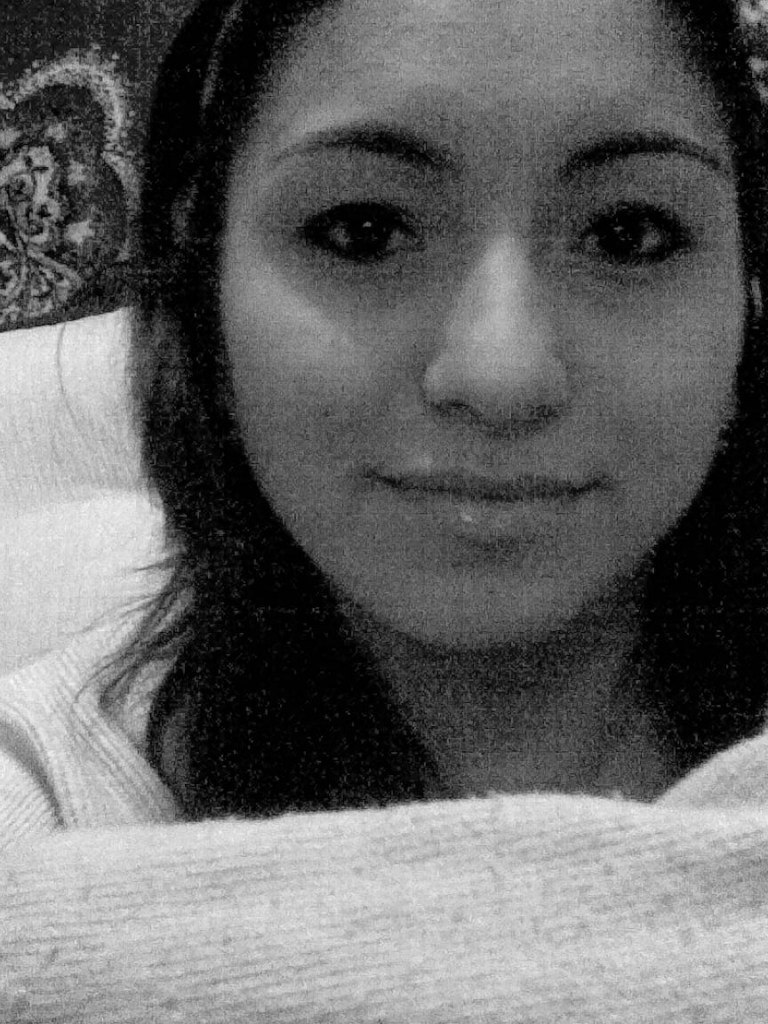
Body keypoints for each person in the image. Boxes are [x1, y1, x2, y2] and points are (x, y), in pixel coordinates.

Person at [4, 0, 768, 1018]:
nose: (500, 376)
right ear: (204, 289)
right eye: (363, 231)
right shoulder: (43, 820)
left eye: (630, 234)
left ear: (748, 298)